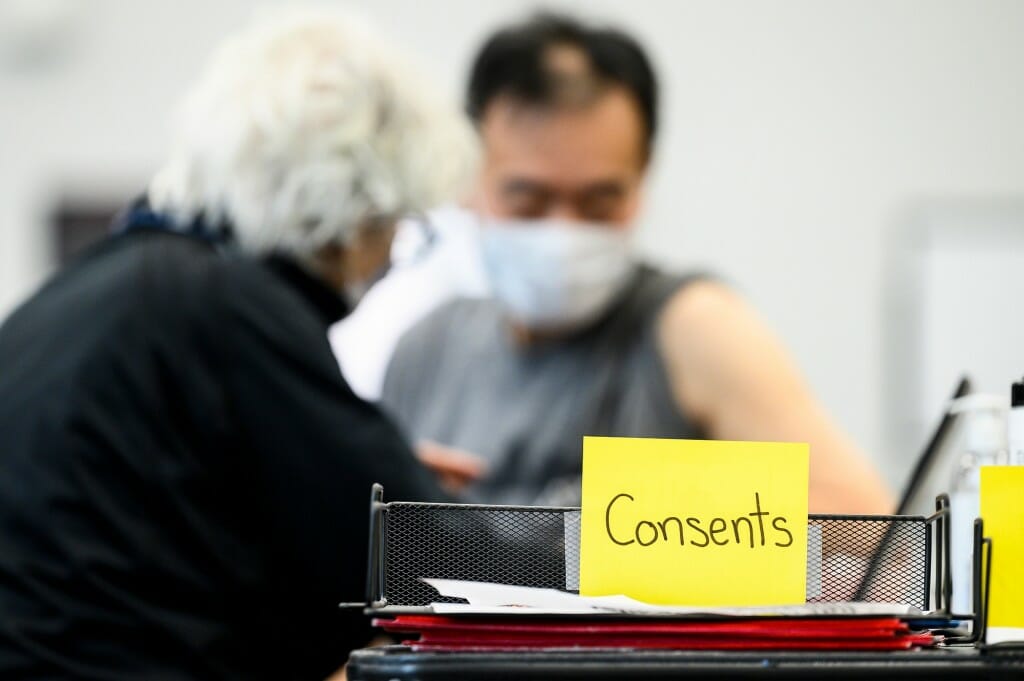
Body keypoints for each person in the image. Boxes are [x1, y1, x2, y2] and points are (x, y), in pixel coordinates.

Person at [0, 9, 476, 679]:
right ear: (344, 208)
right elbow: (423, 553)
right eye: (395, 221)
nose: (393, 252)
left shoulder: (87, 292)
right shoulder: (226, 303)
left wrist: (350, 462)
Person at [336, 12, 894, 514]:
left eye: (600, 202)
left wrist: (635, 517)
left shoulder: (694, 326)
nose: (563, 229)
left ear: (643, 175)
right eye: (527, 200)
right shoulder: (426, 350)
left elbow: (862, 522)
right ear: (467, 173)